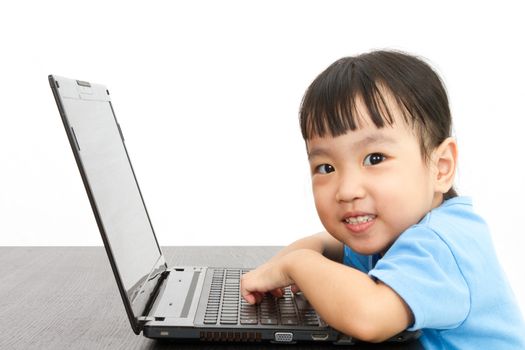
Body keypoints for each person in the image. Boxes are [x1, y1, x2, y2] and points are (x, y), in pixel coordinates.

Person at [240, 50, 525, 348]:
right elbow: (330, 245)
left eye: (374, 158)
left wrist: (297, 264)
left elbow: (369, 316)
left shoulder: (441, 243)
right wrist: (282, 266)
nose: (347, 190)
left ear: (441, 168)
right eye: (326, 167)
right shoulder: (394, 229)